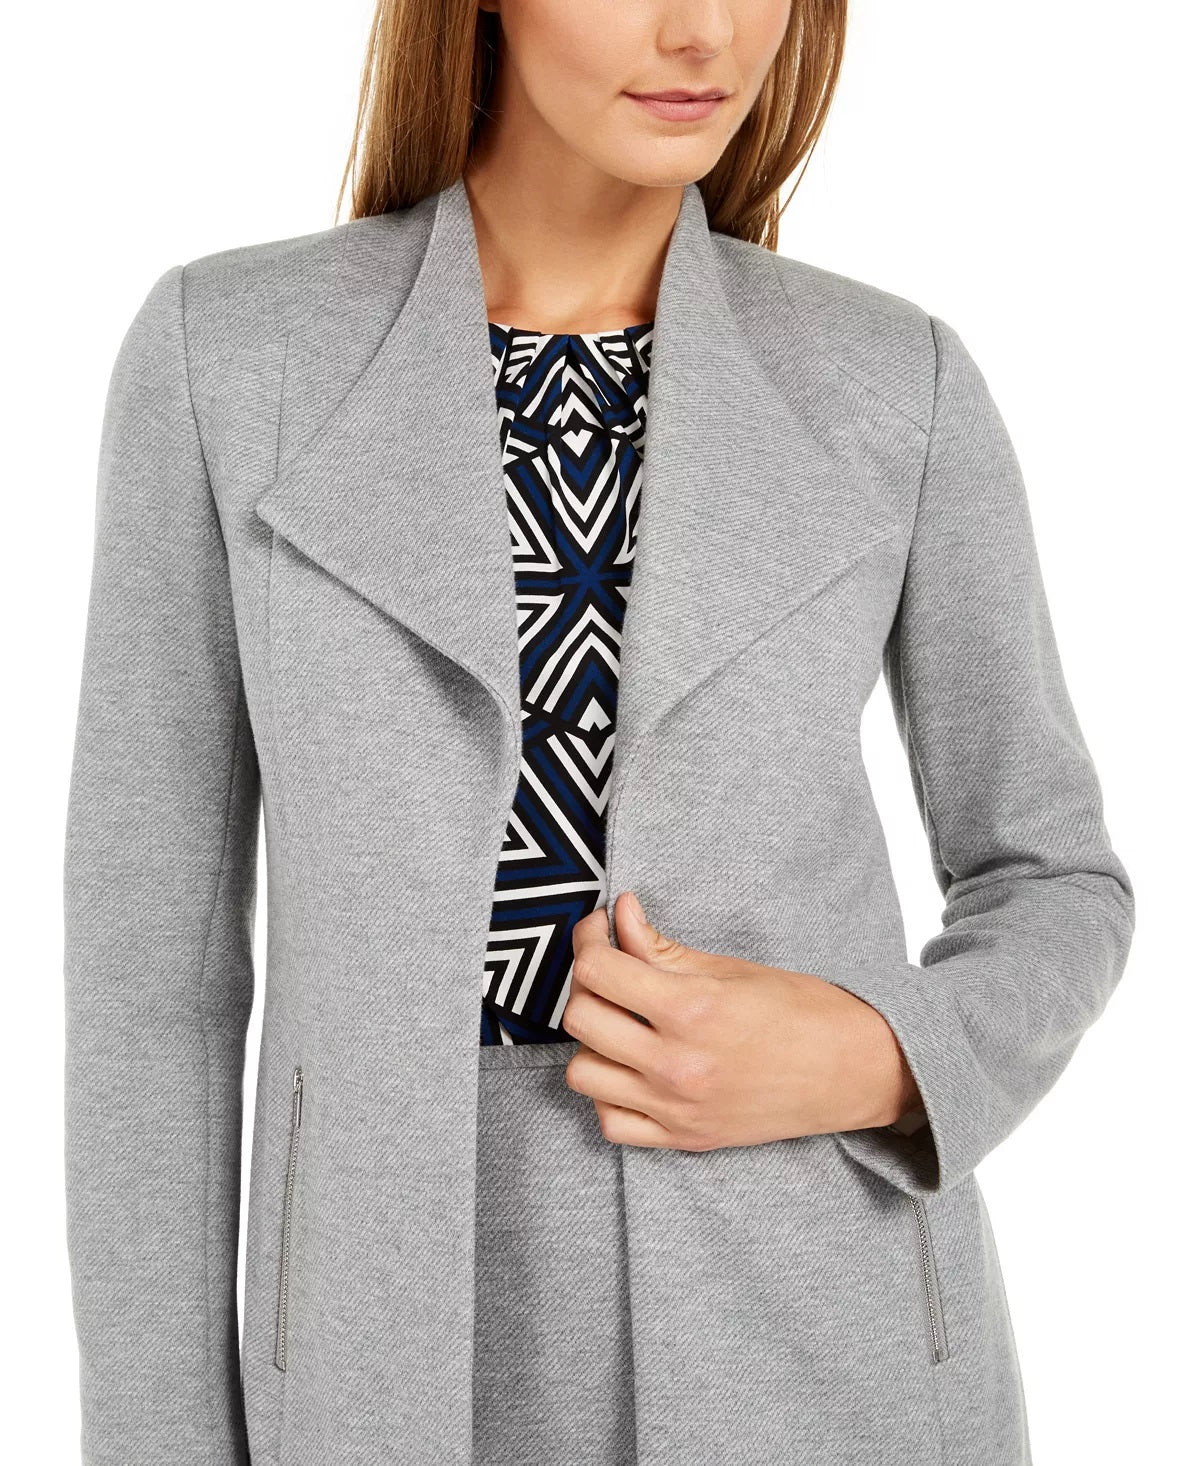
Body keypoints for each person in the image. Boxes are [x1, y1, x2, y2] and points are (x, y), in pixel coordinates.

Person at [63, 2, 1135, 1463]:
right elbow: (149, 981)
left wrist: (872, 1055)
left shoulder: (899, 384)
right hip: (381, 1350)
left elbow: (1055, 878)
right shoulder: (227, 359)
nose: (705, 32)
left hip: (830, 1344)